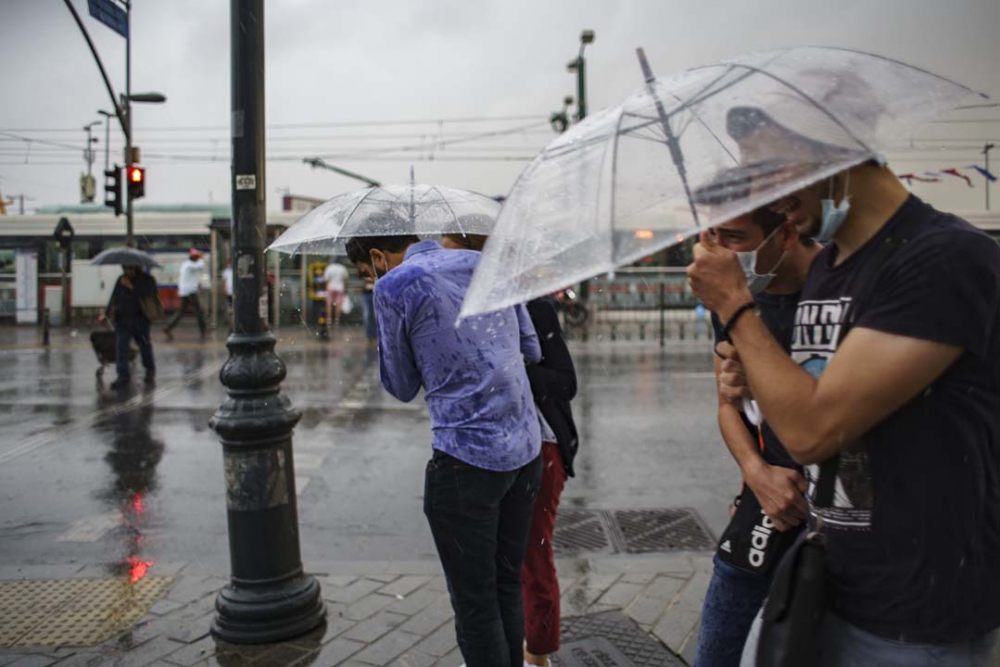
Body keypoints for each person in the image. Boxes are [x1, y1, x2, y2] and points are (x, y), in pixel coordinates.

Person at [688, 112, 1000, 663]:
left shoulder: (945, 256)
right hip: (825, 579)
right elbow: (800, 400)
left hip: (914, 611)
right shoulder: (831, 267)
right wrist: (752, 398)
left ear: (822, 147)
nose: (763, 190)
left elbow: (813, 429)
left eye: (767, 169)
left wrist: (736, 307)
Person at [346, 233, 543, 667]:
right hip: (526, 453)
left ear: (378, 257)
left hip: (465, 461)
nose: (371, 277)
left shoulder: (393, 285)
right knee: (506, 584)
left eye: (367, 270)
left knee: (475, 603)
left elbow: (399, 385)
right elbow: (532, 347)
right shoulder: (486, 264)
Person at [443, 231, 580, 667]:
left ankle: (538, 654)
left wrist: (511, 365)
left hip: (540, 445)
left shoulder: (532, 307)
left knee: (531, 558)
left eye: (452, 249)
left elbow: (565, 382)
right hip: (480, 449)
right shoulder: (460, 312)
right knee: (485, 563)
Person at [692, 206, 820, 667]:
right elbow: (727, 405)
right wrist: (755, 473)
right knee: (718, 647)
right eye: (711, 236)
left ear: (785, 233)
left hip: (837, 509)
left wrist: (765, 375)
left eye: (735, 237)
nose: (720, 252)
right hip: (765, 501)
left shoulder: (841, 289)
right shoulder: (729, 294)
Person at [101, 264, 162, 389]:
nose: (127, 271)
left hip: (140, 319)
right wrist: (106, 314)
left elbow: (150, 296)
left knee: (144, 345)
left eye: (130, 268)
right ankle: (123, 375)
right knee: (121, 346)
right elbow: (114, 297)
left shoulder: (147, 280)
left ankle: (149, 369)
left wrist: (131, 287)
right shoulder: (121, 279)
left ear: (136, 268)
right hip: (122, 319)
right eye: (125, 269)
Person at [164, 248, 207, 341]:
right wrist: (201, 258)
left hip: (185, 291)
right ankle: (203, 330)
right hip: (190, 291)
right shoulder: (190, 265)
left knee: (181, 312)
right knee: (199, 311)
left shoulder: (186, 264)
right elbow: (200, 266)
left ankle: (168, 327)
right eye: (196, 257)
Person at [323, 260, 349, 328]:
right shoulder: (342, 268)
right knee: (338, 305)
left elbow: (326, 280)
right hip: (340, 288)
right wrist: (345, 289)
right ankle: (336, 321)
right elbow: (345, 279)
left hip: (330, 288)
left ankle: (329, 321)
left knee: (329, 305)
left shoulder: (329, 268)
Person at [359, 273, 377, 343]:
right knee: (367, 315)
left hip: (374, 292)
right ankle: (369, 336)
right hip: (367, 292)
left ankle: (375, 335)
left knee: (375, 315)